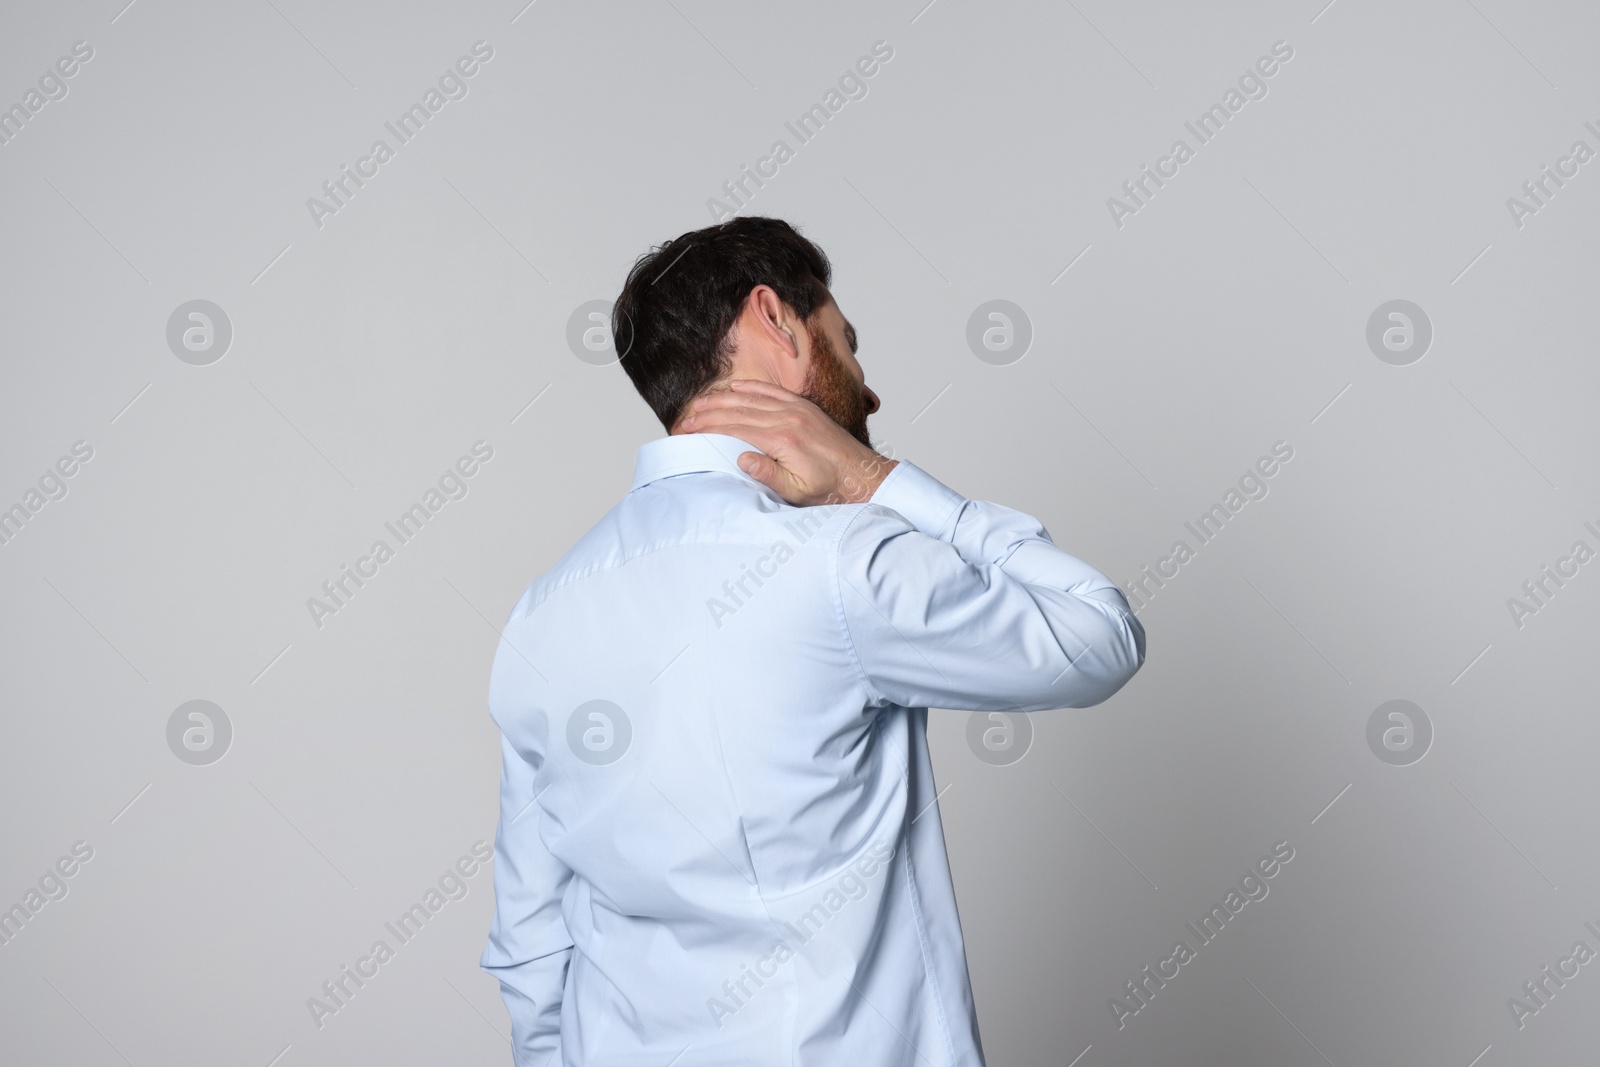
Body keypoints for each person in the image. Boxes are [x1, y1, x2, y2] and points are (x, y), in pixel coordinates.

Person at [479, 216, 1146, 1065]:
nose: (869, 391)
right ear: (777, 321)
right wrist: (880, 482)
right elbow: (1100, 636)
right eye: (847, 342)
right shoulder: (842, 563)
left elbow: (532, 935)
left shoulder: (544, 610)